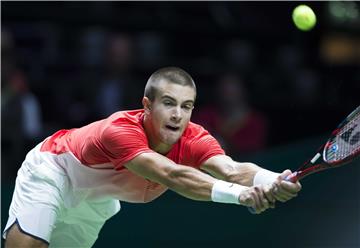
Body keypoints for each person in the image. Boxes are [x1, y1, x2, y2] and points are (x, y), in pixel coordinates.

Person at [3, 67, 301, 248]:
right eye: (169, 103)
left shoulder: (194, 137)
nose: (177, 115)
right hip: (54, 172)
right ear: (146, 105)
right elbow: (172, 175)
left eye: (186, 107)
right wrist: (243, 196)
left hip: (94, 202)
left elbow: (232, 169)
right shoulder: (120, 130)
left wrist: (274, 180)